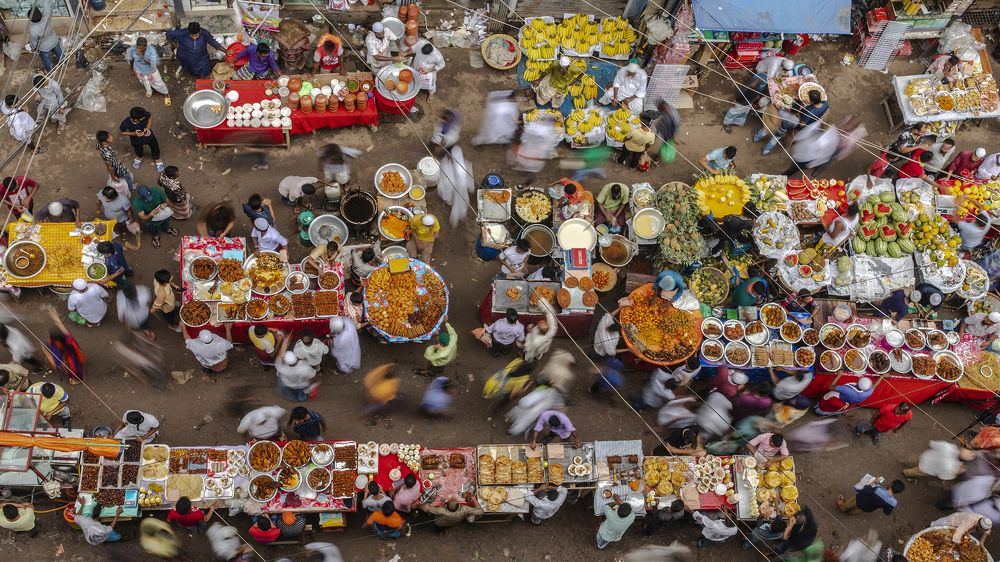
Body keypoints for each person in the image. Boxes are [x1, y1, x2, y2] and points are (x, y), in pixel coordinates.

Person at [44, 308, 86, 384]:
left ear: (56, 340)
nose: (48, 337)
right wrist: (56, 318)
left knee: (74, 372)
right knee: (77, 367)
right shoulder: (68, 339)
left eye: (49, 336)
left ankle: (77, 380)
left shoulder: (56, 348)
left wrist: (46, 353)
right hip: (75, 356)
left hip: (69, 362)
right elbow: (62, 328)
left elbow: (56, 364)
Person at [127, 36, 170, 105]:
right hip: (140, 70)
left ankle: (165, 93)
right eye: (138, 47)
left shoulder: (151, 50)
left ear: (145, 47)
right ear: (136, 45)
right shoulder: (132, 49)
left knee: (158, 82)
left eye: (141, 48)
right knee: (145, 82)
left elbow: (153, 63)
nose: (139, 49)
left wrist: (142, 56)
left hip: (151, 71)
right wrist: (132, 69)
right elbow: (131, 59)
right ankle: (149, 91)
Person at [120, 106, 164, 172]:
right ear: (135, 119)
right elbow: (122, 132)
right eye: (142, 118)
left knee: (154, 146)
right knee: (137, 149)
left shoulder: (143, 114)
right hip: (136, 140)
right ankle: (139, 156)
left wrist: (148, 128)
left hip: (149, 135)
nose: (144, 117)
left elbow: (150, 116)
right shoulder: (126, 123)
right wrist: (134, 134)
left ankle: (157, 158)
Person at [902, 440, 968, 481]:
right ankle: (905, 472)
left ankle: (904, 461)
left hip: (925, 456)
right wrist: (958, 472)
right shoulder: (954, 468)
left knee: (912, 459)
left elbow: (932, 444)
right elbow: (942, 476)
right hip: (927, 469)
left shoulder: (949, 447)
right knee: (915, 472)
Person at [418, 493, 483, 532]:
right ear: (459, 505)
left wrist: (418, 505)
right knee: (448, 526)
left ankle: (440, 532)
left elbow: (426, 508)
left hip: (440, 523)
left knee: (439, 528)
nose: (453, 498)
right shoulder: (464, 509)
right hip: (454, 522)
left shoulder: (441, 510)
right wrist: (474, 499)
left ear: (445, 505)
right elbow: (481, 511)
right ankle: (444, 530)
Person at [838, 477, 904, 515]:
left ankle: (842, 507)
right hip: (867, 508)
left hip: (858, 500)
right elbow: (886, 512)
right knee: (855, 511)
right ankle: (850, 512)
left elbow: (866, 489)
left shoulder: (878, 489)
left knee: (847, 505)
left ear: (890, 485)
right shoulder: (893, 503)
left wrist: (874, 481)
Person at [27, 3, 60, 72]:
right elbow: (47, 6)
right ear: (40, 13)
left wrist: (32, 47)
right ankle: (64, 62)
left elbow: (34, 42)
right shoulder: (46, 17)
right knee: (59, 52)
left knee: (46, 59)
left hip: (44, 47)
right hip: (54, 40)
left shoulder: (32, 29)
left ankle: (50, 71)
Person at [411, 39, 446, 104]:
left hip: (427, 68)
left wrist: (428, 70)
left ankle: (431, 92)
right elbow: (412, 48)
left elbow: (442, 65)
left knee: (429, 83)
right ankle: (415, 86)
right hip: (417, 63)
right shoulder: (421, 42)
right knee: (413, 76)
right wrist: (406, 53)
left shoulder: (437, 56)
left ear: (430, 53)